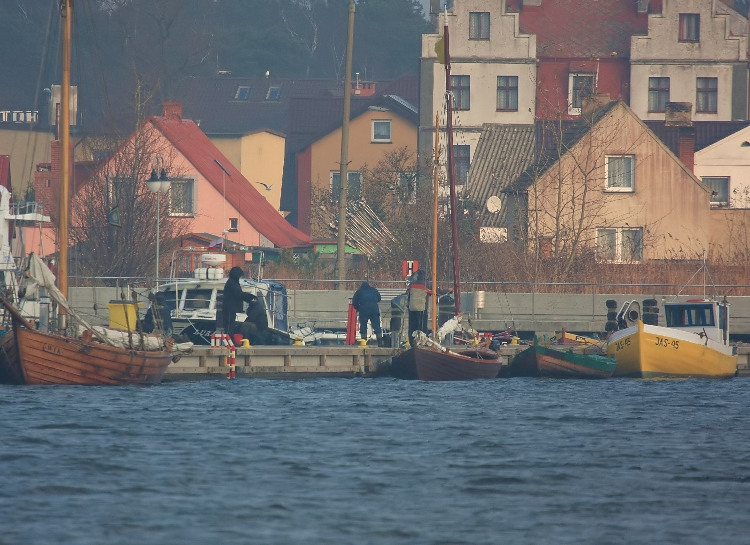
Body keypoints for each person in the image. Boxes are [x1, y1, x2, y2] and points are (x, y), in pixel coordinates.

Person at [221, 266, 251, 337]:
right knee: (229, 326)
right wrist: (250, 297)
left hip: (231, 308)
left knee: (230, 325)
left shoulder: (232, 282)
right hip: (229, 308)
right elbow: (239, 294)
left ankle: (229, 340)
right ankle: (228, 340)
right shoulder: (232, 283)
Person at [351, 280, 382, 346]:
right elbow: (379, 298)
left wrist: (358, 308)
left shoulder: (359, 291)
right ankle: (380, 342)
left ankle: (364, 342)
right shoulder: (374, 290)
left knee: (363, 326)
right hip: (374, 310)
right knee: (377, 326)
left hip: (363, 310)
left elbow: (354, 302)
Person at [407, 269, 431, 344]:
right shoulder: (427, 284)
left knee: (412, 326)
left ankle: (411, 342)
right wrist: (448, 290)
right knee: (421, 326)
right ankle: (421, 342)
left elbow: (407, 293)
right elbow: (437, 292)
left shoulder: (412, 284)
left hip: (411, 308)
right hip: (422, 308)